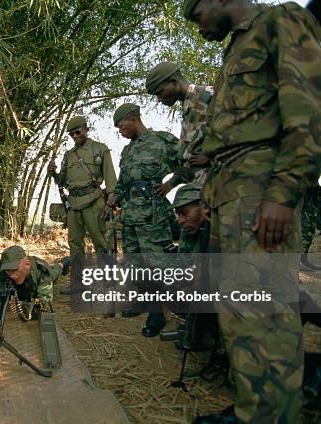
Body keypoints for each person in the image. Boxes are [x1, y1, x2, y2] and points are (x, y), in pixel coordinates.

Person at [184, 0, 321, 422]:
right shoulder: (234, 52)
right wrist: (207, 199)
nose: (198, 26)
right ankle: (254, 410)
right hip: (232, 196)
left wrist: (283, 191)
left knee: (264, 317)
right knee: (239, 319)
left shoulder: (282, 20)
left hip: (261, 195)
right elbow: (231, 136)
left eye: (196, 14)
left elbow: (308, 112)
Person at [113, 103, 180, 337]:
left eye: (120, 126)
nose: (119, 132)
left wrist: (171, 183)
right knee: (136, 264)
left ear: (132, 118)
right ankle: (144, 301)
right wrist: (113, 197)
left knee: (156, 265)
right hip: (130, 216)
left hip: (153, 216)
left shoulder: (163, 141)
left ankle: (157, 313)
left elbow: (190, 162)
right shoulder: (127, 151)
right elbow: (122, 184)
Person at [47, 116, 117, 261]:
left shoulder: (100, 149)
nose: (74, 136)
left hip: (93, 201)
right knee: (75, 245)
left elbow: (111, 179)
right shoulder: (69, 155)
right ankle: (78, 282)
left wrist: (109, 203)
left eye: (77, 132)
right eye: (71, 134)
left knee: (101, 243)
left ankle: (109, 281)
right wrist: (54, 174)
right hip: (73, 204)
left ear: (86, 129)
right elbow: (62, 181)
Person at [145, 61, 213, 191]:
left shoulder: (208, 95)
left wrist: (212, 154)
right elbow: (190, 154)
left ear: (174, 81)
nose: (159, 99)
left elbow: (241, 127)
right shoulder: (188, 108)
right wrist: (171, 184)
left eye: (160, 92)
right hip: (201, 185)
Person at [0, 246, 65, 316]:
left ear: (27, 265)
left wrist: (22, 307)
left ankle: (64, 263)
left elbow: (45, 306)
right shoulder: (0, 271)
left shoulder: (41, 272)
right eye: (8, 271)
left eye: (14, 270)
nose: (11, 275)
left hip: (44, 274)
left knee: (56, 271)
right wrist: (2, 304)